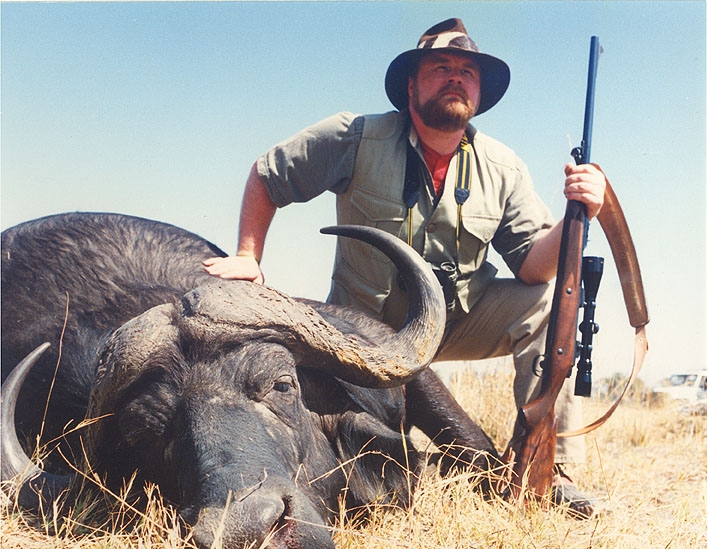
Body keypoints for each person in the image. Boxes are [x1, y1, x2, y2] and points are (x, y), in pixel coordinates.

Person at [203, 18, 605, 517]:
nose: (456, 77)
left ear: (479, 91)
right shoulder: (355, 135)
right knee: (366, 467)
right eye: (441, 67)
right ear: (411, 84)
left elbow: (531, 268)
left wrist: (575, 214)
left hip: (455, 322)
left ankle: (549, 466)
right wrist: (248, 256)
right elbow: (268, 174)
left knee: (545, 303)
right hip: (358, 335)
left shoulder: (504, 167)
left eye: (467, 71)